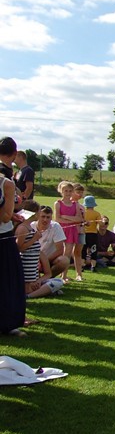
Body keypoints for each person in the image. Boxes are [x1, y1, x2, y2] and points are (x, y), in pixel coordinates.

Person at [1, 141, 27, 336]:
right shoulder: (7, 183)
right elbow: (4, 216)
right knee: (10, 280)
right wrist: (11, 212)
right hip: (3, 238)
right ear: (14, 154)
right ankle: (8, 323)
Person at [54, 181, 84, 281]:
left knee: (67, 253)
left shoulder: (75, 204)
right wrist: (72, 219)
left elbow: (79, 219)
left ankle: (64, 276)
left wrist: (66, 217)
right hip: (61, 230)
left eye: (70, 191)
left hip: (71, 231)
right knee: (58, 252)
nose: (68, 193)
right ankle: (54, 273)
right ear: (61, 191)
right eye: (65, 191)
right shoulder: (58, 203)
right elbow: (57, 219)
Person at [82, 195, 102, 271]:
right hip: (93, 234)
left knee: (83, 250)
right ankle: (93, 266)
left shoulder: (83, 213)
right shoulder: (97, 214)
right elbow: (100, 224)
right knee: (94, 250)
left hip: (84, 234)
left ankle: (82, 265)